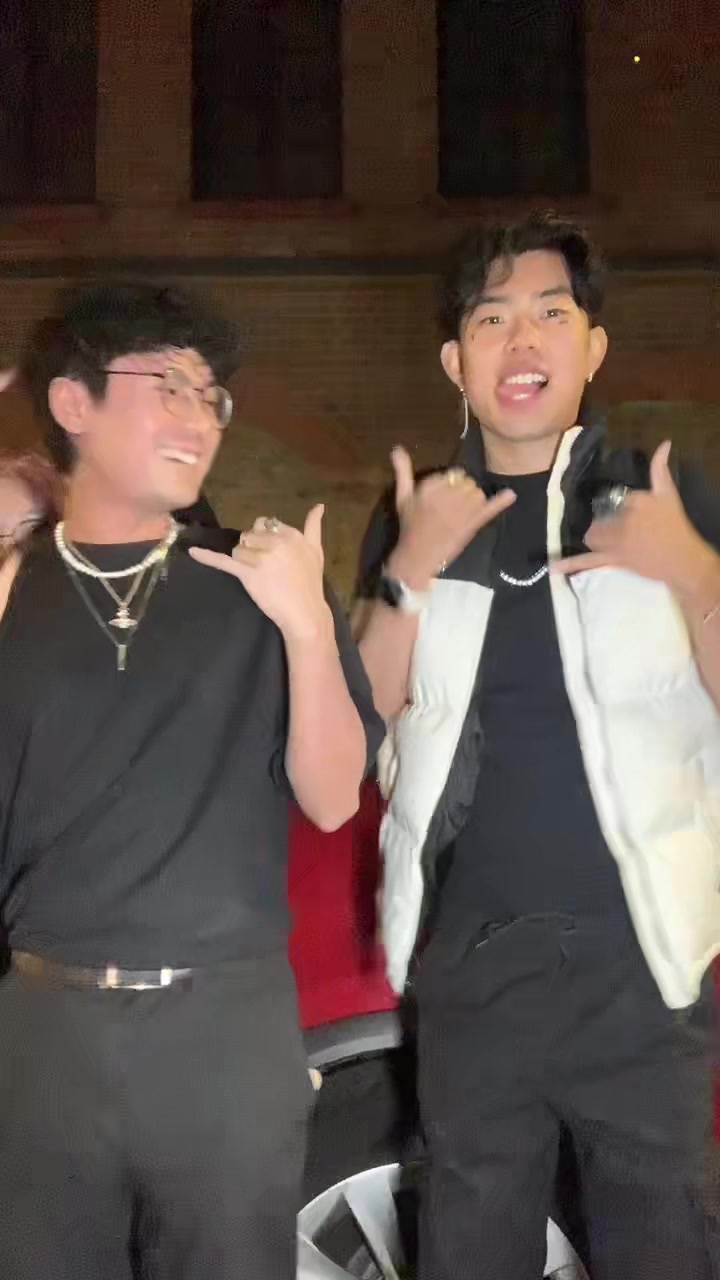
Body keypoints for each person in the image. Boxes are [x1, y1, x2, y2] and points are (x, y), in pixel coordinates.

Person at [353, 211, 720, 1280]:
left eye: (552, 315)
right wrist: (407, 571)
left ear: (593, 346)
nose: (522, 341)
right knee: (470, 1248)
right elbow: (362, 718)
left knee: (665, 1246)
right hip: (472, 966)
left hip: (644, 964)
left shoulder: (666, 494)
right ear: (454, 361)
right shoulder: (420, 510)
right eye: (492, 319)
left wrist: (696, 572)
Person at [0, 282, 384, 1280]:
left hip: (223, 1030)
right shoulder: (13, 588)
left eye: (212, 396)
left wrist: (306, 624)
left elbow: (333, 796)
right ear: (74, 403)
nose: (199, 417)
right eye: (167, 385)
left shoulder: (256, 580)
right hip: (43, 1028)